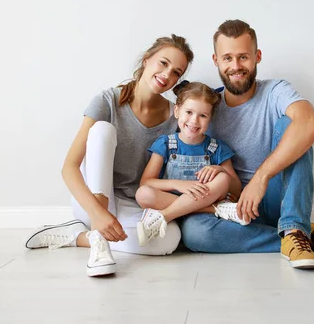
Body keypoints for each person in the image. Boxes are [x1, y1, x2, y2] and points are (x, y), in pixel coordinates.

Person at [179, 20, 314, 269]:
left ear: (257, 56)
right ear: (216, 61)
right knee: (194, 233)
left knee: (292, 124)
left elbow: (312, 123)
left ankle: (294, 227)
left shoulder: (275, 91)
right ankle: (299, 236)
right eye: (227, 58)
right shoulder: (207, 107)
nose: (236, 66)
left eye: (243, 57)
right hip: (233, 207)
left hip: (276, 196)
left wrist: (261, 178)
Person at [24, 34, 194, 277]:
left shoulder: (174, 116)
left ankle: (80, 236)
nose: (167, 75)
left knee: (168, 242)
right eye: (163, 63)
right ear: (146, 60)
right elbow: (69, 167)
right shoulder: (107, 101)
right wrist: (97, 213)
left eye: (177, 72)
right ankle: (99, 244)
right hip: (92, 198)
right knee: (102, 130)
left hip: (133, 203)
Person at [134, 81, 247, 246]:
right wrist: (179, 185)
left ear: (210, 118)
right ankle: (217, 210)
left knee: (223, 177)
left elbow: (235, 189)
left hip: (198, 211)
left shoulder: (217, 148)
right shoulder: (165, 144)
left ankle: (164, 217)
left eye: (203, 115)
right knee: (142, 193)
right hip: (173, 199)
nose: (194, 121)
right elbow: (146, 182)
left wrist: (217, 169)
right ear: (177, 110)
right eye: (189, 112)